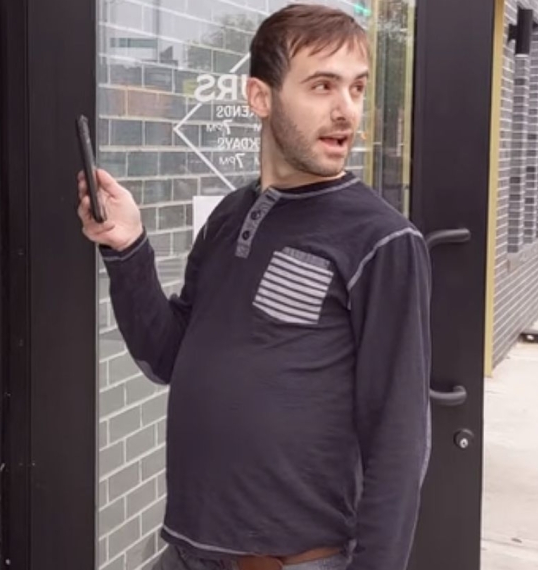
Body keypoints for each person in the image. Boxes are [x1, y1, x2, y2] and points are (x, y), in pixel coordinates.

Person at [77, 5, 432, 570]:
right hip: (189, 552)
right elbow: (167, 356)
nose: (346, 112)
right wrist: (129, 247)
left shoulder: (382, 240)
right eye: (322, 86)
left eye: (357, 88)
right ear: (260, 98)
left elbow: (400, 437)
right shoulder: (230, 216)